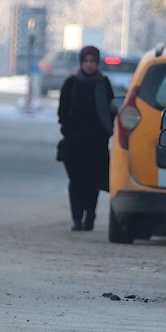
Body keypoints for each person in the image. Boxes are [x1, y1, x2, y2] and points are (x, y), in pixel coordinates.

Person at [57, 45, 115, 231]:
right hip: (75, 143)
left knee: (93, 182)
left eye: (92, 61)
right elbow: (63, 112)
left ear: (97, 63)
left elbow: (111, 110)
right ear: (81, 63)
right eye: (86, 61)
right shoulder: (71, 84)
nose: (89, 65)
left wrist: (106, 133)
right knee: (76, 182)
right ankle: (76, 217)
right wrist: (69, 132)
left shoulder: (103, 83)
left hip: (97, 144)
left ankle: (90, 217)